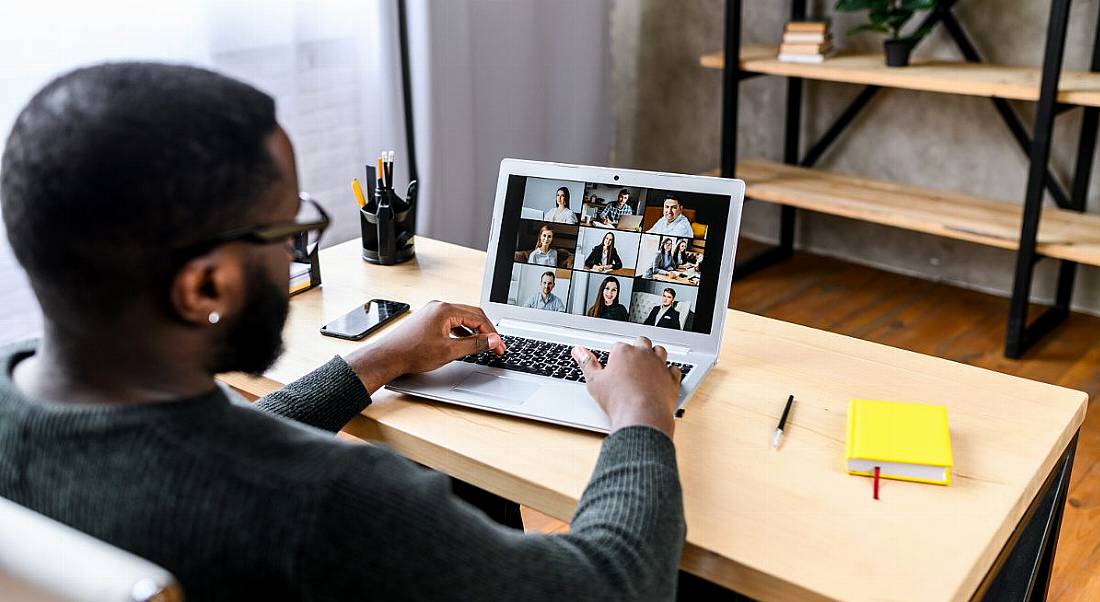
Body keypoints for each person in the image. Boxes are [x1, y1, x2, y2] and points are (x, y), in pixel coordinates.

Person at [0, 63, 685, 601]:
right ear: (206, 286)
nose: (298, 247)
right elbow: (614, 586)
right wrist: (641, 413)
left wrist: (375, 361)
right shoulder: (326, 503)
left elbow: (186, 456)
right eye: (289, 230)